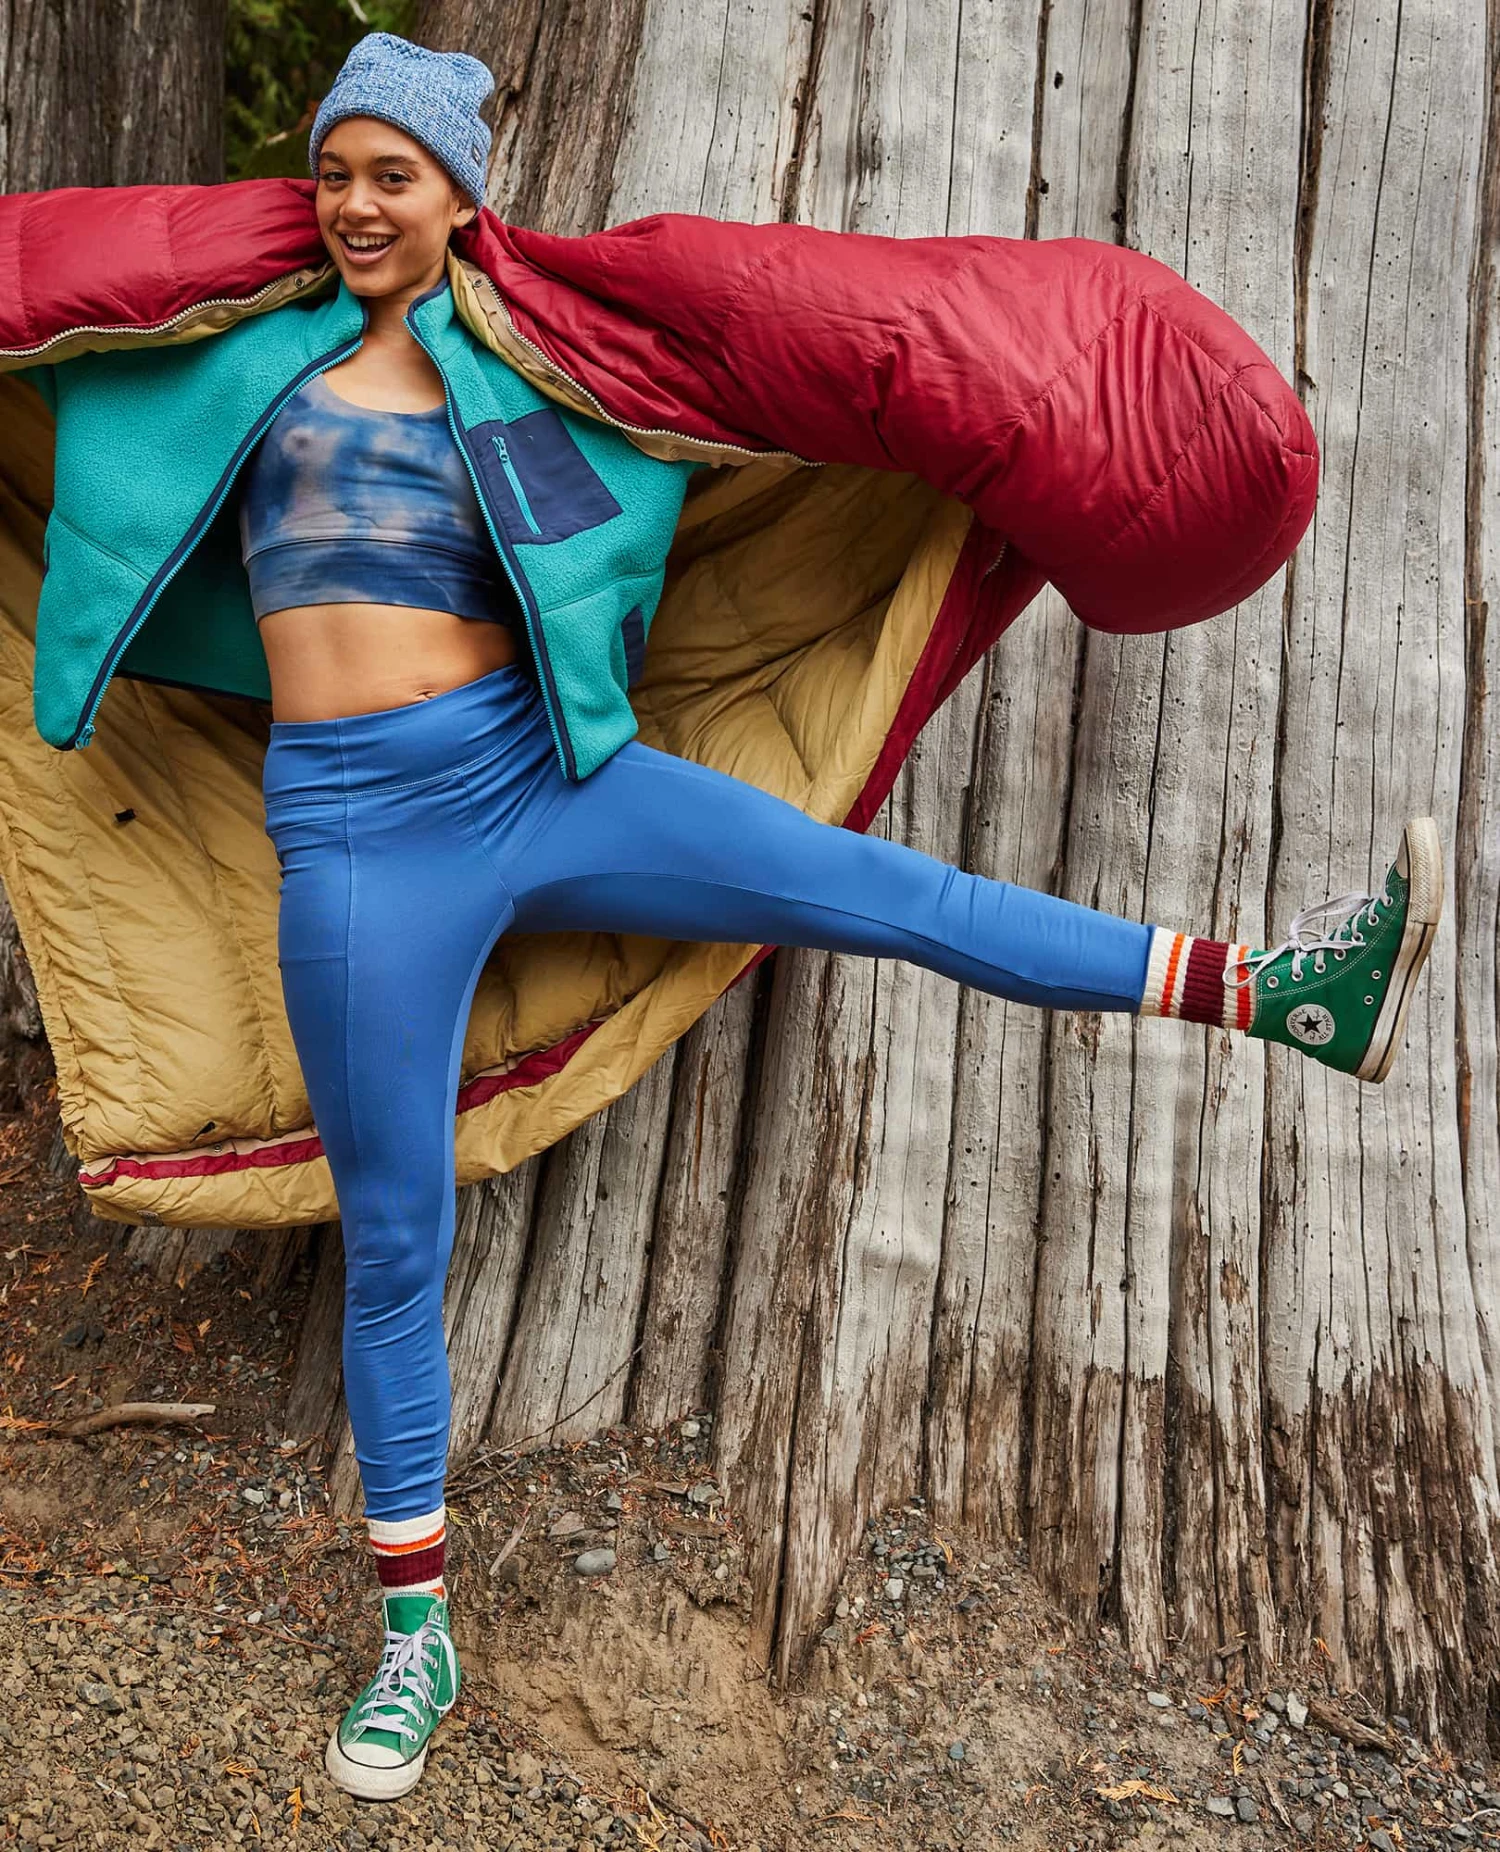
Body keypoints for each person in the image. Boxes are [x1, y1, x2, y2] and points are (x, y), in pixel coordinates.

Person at [7, 30, 1441, 1805]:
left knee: (890, 896)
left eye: (396, 176)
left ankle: (1276, 991)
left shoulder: (532, 367)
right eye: (338, 175)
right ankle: (415, 1636)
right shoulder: (238, 361)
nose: (359, 206)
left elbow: (722, 405)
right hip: (360, 848)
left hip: (547, 776)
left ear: (460, 198)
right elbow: (61, 314)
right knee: (391, 1244)